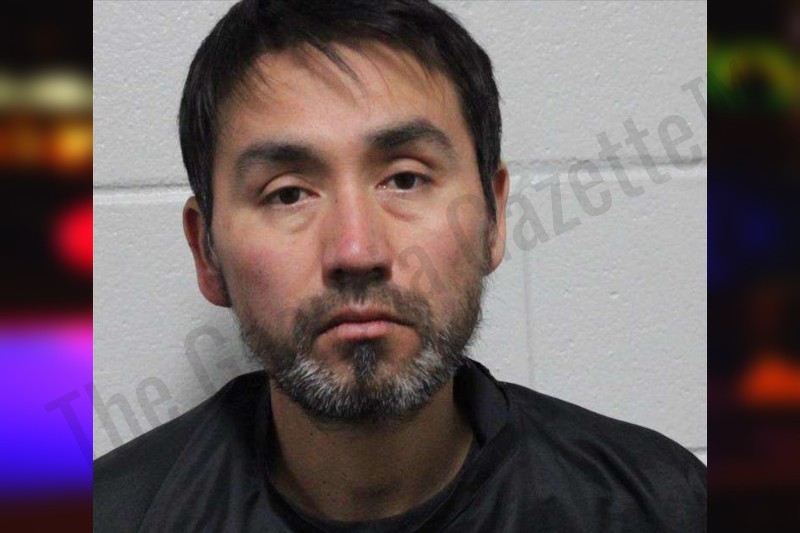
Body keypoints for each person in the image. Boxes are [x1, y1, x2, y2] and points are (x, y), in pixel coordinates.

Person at [93, 0, 707, 531]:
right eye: (288, 193)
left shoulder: (658, 507)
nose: (357, 252)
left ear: (493, 218)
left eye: (406, 179)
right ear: (207, 252)